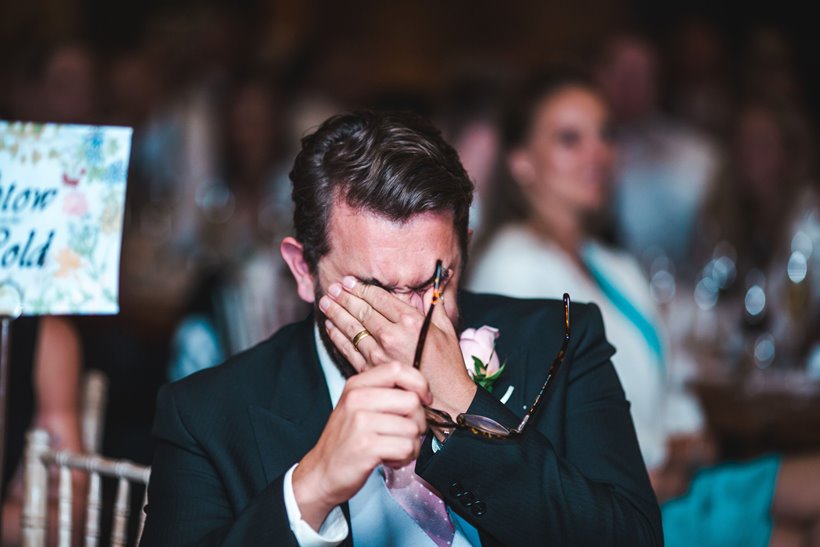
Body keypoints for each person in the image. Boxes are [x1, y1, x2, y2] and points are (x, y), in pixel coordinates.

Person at [140, 110, 662, 546]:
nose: (409, 319)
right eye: (373, 289)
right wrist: (312, 487)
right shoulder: (205, 416)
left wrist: (466, 406)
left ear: (465, 251)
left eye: (435, 282)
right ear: (304, 271)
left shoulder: (561, 339)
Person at [467, 68, 820, 546]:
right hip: (613, 507)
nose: (597, 153)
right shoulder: (512, 270)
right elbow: (527, 429)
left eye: (605, 135)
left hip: (679, 477)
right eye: (570, 138)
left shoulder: (612, 262)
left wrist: (688, 441)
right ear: (521, 161)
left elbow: (670, 378)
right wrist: (660, 460)